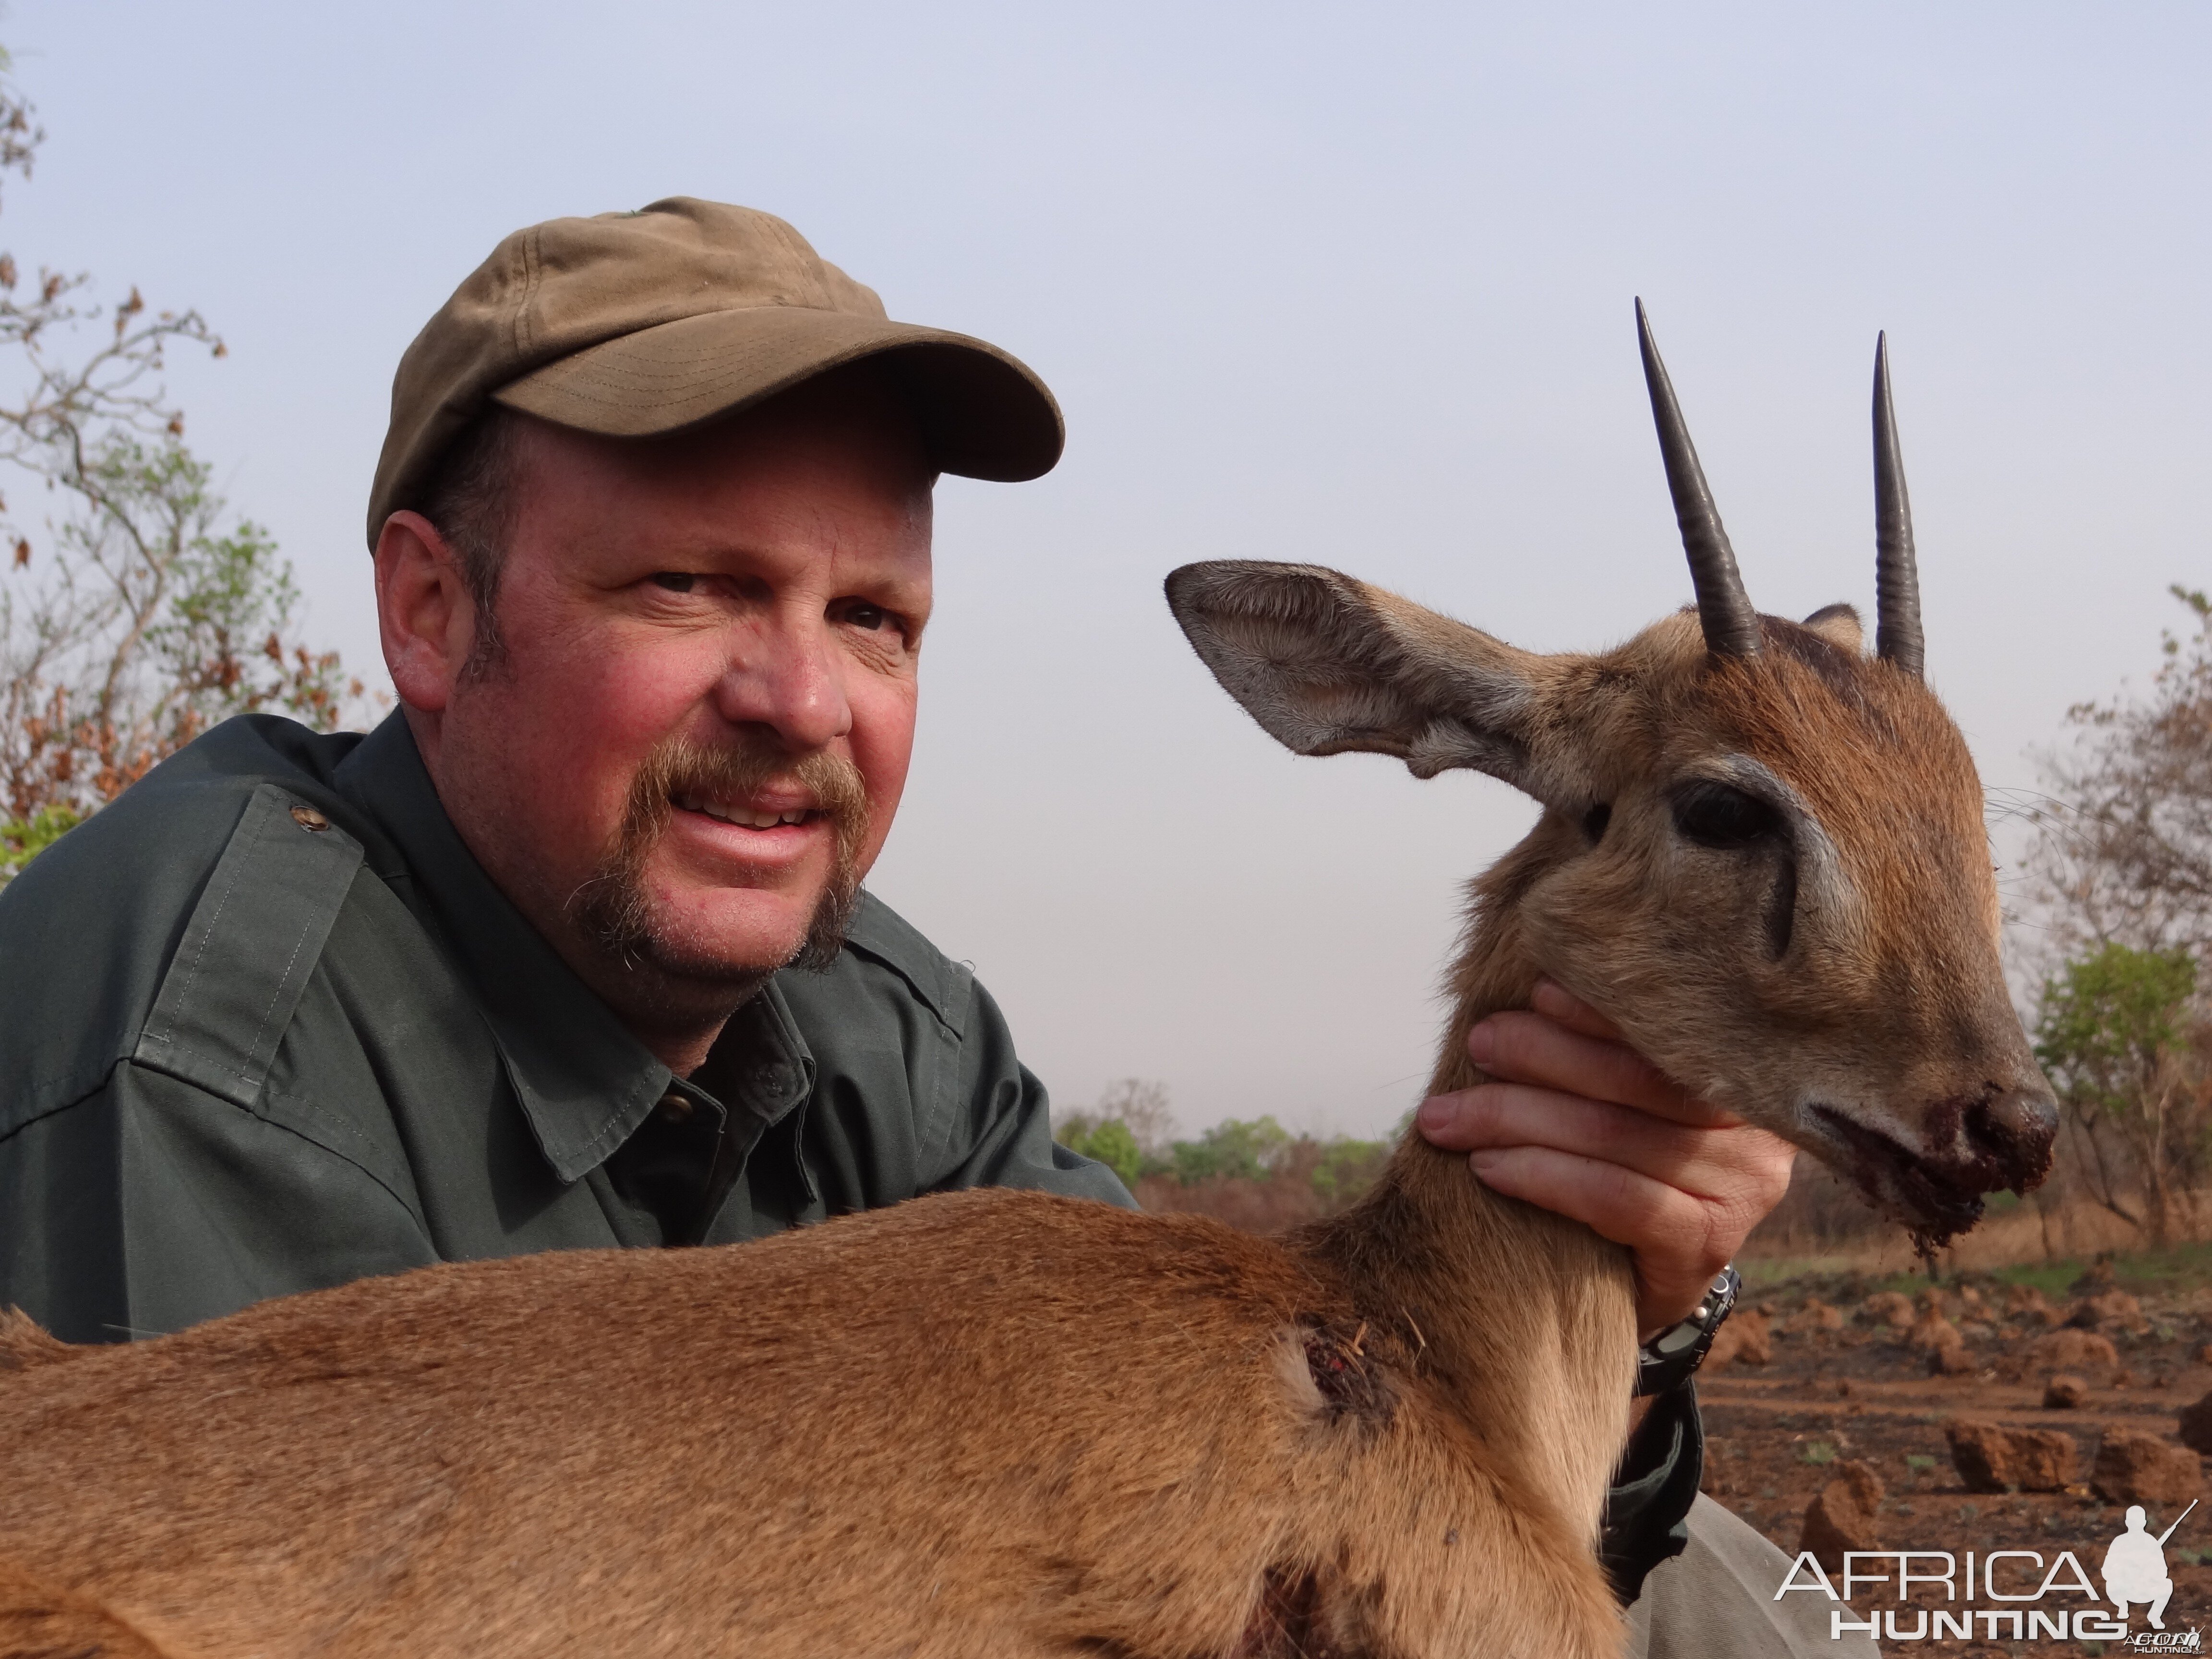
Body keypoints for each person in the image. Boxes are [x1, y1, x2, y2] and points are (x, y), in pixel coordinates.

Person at [0, 196, 1847, 1654]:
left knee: (1742, 1615)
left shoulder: (881, 1016)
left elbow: (1264, 1489)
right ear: (427, 612)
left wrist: (1617, 1294)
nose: (799, 698)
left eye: (873, 618)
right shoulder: (203, 1036)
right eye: (688, 586)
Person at [2104, 1504, 2177, 1629]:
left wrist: (2148, 1572)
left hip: (2145, 1589)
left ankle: (2155, 1616)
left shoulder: (2151, 1542)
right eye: (2133, 1522)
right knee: (2111, 1584)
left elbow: (2163, 1572)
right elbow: (2106, 1570)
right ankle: (2122, 1606)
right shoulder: (2119, 1542)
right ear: (2127, 1523)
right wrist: (2125, 1569)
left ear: (2144, 1522)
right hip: (2124, 1589)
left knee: (2167, 1584)